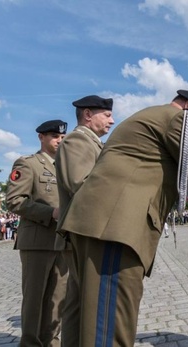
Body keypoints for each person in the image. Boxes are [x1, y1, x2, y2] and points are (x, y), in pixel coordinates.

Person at [56, 89, 188, 346]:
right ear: (187, 106)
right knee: (108, 328)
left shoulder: (150, 117)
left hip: (95, 225)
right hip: (115, 229)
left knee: (82, 320)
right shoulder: (177, 119)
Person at [55, 95, 114, 346]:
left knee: (78, 303)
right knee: (83, 304)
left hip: (84, 234)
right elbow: (80, 183)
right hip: (82, 234)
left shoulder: (94, 143)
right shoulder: (79, 140)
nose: (112, 120)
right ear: (88, 115)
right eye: (107, 114)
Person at [6, 120, 69, 346]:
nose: (59, 140)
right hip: (37, 241)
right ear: (41, 137)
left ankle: (50, 341)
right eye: (54, 135)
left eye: (62, 136)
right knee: (34, 299)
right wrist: (50, 212)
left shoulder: (66, 166)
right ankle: (31, 343)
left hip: (62, 241)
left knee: (57, 299)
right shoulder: (28, 164)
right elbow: (14, 201)